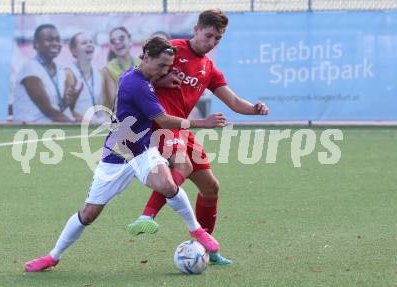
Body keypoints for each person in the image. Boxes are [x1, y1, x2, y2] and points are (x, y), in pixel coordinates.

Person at [24, 36, 227, 272]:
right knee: (88, 214)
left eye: (168, 67)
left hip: (143, 151)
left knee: (168, 185)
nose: (165, 70)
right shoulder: (137, 84)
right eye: (161, 65)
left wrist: (161, 80)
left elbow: (146, 84)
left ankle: (196, 230)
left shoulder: (140, 75)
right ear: (146, 57)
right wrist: (203, 122)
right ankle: (53, 256)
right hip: (118, 154)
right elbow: (162, 119)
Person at [127, 9, 269, 265]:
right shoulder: (174, 50)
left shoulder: (209, 69)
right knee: (182, 164)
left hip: (182, 128)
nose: (212, 42)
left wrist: (254, 109)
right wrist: (161, 81)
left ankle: (207, 248)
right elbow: (136, 77)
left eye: (218, 38)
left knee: (210, 187)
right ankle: (146, 216)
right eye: (208, 35)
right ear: (196, 30)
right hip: (159, 124)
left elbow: (234, 101)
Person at [13, 24, 80, 123]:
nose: (55, 43)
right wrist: (73, 124)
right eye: (49, 40)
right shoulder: (30, 68)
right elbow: (49, 110)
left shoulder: (60, 70)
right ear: (36, 44)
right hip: (28, 131)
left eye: (58, 40)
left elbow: (60, 108)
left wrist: (70, 100)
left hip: (51, 129)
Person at [65, 32, 107, 123]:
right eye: (84, 43)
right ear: (74, 50)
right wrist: (90, 122)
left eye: (91, 42)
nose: (89, 45)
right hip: (77, 125)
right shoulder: (69, 73)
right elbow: (68, 110)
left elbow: (100, 107)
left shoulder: (99, 73)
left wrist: (106, 121)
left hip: (95, 124)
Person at [102, 26, 141, 112]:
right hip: (121, 119)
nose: (117, 42)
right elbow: (114, 104)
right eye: (113, 41)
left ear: (130, 41)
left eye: (121, 38)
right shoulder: (108, 69)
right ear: (111, 47)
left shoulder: (141, 63)